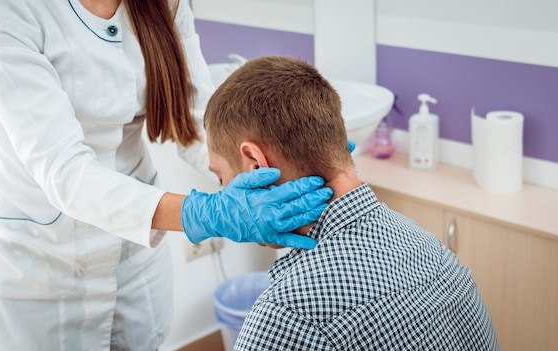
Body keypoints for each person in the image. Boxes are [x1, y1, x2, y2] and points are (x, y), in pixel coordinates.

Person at [0, 1, 333, 350]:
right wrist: (203, 213)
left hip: (133, 253)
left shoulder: (167, 4)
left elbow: (198, 121)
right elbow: (65, 171)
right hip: (43, 254)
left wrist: (278, 169)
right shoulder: (7, 9)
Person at [204, 56, 499, 350]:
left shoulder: (286, 315)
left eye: (220, 178)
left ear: (256, 165)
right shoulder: (435, 253)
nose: (223, 193)